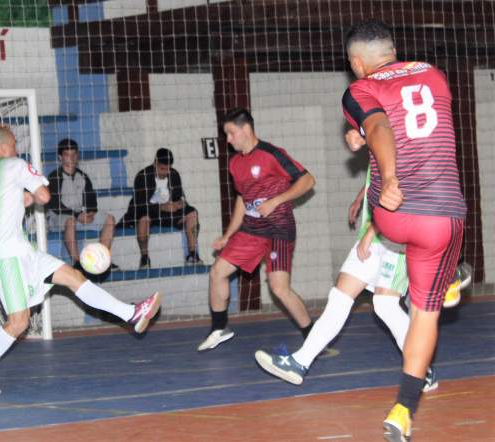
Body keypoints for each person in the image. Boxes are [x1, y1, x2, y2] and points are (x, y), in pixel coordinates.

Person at [0, 127, 161, 396]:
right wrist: (29, 196)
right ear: (2, 148)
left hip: (22, 251)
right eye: (13, 145)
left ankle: (131, 313)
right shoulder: (13, 164)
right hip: (6, 256)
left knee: (74, 277)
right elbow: (45, 197)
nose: (16, 150)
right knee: (19, 322)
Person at [341, 20, 466, 441]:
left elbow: (381, 127)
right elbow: (415, 124)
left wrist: (390, 178)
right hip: (442, 218)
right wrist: (363, 135)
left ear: (357, 63)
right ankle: (404, 407)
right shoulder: (433, 73)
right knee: (425, 314)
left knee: (379, 182)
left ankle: (441, 280)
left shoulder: (360, 89)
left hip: (391, 217)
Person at [253, 129, 441, 392]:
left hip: (395, 239)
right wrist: (360, 197)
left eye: (354, 131)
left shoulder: (397, 138)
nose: (348, 136)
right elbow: (380, 179)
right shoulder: (381, 139)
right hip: (376, 231)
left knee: (385, 305)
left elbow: (402, 193)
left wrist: (375, 230)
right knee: (340, 296)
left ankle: (422, 370)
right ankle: (299, 363)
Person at [197, 108, 315, 352]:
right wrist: (228, 235)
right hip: (251, 230)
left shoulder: (271, 154)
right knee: (217, 272)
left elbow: (307, 180)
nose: (228, 140)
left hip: (278, 229)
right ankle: (219, 328)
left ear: (245, 130)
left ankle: (313, 336)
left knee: (279, 288)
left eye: (230, 133)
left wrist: (276, 201)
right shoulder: (235, 164)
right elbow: (242, 199)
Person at [119, 148, 201, 269]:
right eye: (162, 169)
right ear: (155, 163)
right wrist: (162, 207)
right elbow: (140, 205)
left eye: (168, 169)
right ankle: (145, 258)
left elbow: (178, 196)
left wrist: (179, 204)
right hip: (148, 212)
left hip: (168, 214)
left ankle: (193, 255)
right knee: (143, 219)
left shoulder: (174, 174)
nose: (165, 172)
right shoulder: (142, 176)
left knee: (192, 213)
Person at [45, 138, 118, 270]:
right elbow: (55, 204)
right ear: (60, 157)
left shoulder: (83, 177)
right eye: (67, 155)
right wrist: (78, 215)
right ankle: (78, 263)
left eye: (74, 154)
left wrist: (89, 213)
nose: (71, 158)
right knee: (70, 221)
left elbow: (92, 202)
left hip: (79, 216)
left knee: (110, 219)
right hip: (58, 217)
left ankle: (102, 258)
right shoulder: (54, 177)